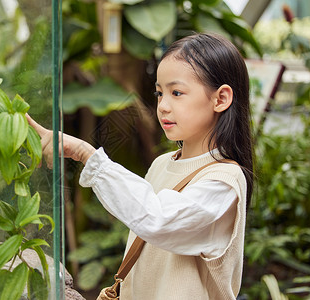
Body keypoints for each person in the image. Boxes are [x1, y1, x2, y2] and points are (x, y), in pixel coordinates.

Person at [27, 33, 253, 299]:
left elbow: (156, 220)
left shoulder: (224, 181)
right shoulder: (161, 164)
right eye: (159, 93)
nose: (163, 106)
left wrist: (87, 155)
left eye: (177, 92)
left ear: (221, 99)